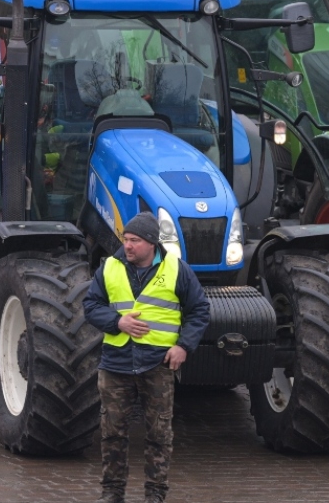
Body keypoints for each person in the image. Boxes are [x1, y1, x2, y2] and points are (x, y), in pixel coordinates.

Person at [83, 212, 210, 503]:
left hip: (158, 364)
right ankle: (111, 493)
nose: (128, 246)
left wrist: (184, 347)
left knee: (159, 435)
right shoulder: (109, 268)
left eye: (135, 241)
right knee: (112, 433)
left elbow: (200, 310)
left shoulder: (178, 270)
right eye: (126, 240)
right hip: (116, 364)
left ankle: (155, 495)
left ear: (152, 243)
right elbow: (90, 306)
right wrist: (118, 322)